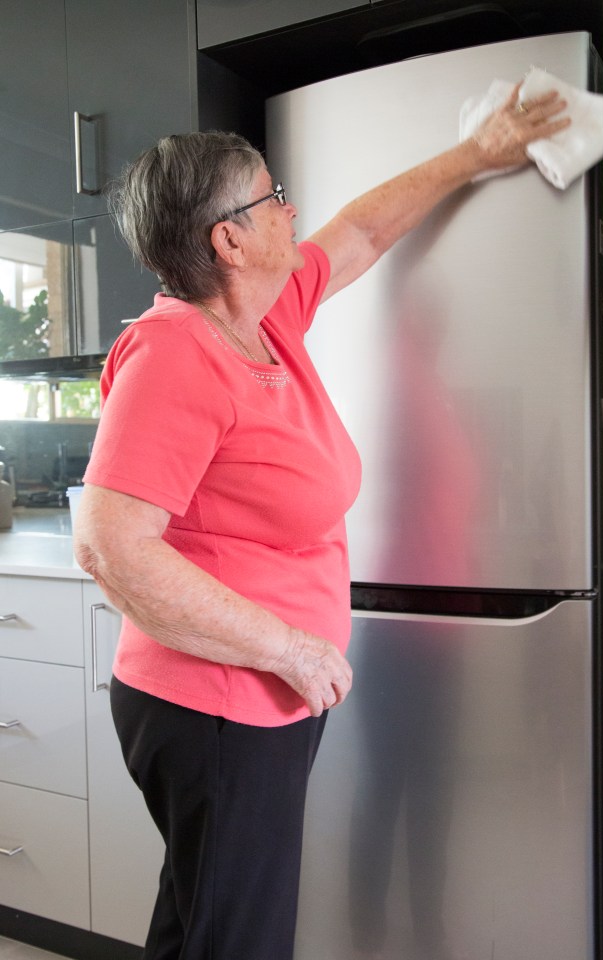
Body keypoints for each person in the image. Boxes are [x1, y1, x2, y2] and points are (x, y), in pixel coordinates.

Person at [73, 83, 569, 960]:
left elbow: (364, 230)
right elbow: (111, 547)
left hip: (261, 696)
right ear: (229, 238)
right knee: (240, 940)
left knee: (204, 925)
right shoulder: (175, 354)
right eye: (272, 198)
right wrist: (291, 649)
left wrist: (477, 151)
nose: (291, 208)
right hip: (216, 707)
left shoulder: (265, 322)